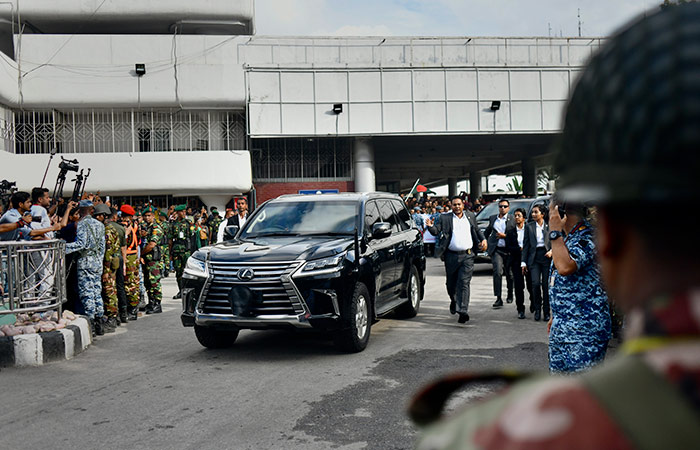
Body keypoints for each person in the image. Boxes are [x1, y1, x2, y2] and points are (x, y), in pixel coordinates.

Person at [413, 5, 700, 447]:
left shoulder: (502, 435)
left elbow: (564, 266)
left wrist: (554, 226)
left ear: (615, 235)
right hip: (568, 326)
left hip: (583, 334)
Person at [547, 197, 611, 373]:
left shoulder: (589, 237)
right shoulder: (569, 239)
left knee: (583, 393)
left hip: (584, 333)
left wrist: (554, 231)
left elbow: (565, 267)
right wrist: (556, 314)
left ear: (560, 213)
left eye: (551, 212)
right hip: (564, 329)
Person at [425, 196, 486, 323]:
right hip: (451, 256)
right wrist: (430, 226)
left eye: (459, 204)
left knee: (464, 283)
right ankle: (454, 300)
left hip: (468, 256)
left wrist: (483, 239)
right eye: (454, 205)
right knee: (451, 284)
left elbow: (476, 229)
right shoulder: (445, 218)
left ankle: (463, 310)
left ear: (463, 205)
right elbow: (436, 231)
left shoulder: (470, 216)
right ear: (451, 206)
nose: (457, 207)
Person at [65, 200, 106, 336]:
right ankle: (100, 322)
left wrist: (64, 247)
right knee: (96, 291)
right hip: (97, 262)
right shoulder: (100, 224)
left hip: (85, 261)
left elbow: (81, 244)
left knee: (86, 292)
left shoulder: (82, 224)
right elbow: (102, 247)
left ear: (81, 211)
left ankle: (92, 323)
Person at [521, 204, 552, 321]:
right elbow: (526, 245)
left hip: (546, 257)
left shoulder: (550, 226)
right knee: (535, 284)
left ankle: (546, 311)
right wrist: (523, 262)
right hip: (534, 258)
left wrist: (552, 251)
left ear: (542, 214)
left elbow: (556, 241)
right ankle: (537, 309)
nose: (533, 214)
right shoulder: (529, 227)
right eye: (532, 212)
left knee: (546, 285)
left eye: (536, 212)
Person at [484, 199, 515, 308]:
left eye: (505, 206)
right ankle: (498, 297)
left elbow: (517, 234)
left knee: (510, 274)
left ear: (508, 208)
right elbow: (487, 232)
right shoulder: (493, 218)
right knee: (497, 272)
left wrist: (505, 236)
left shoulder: (513, 219)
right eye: (501, 206)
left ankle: (510, 293)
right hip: (497, 249)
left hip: (509, 250)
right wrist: (484, 241)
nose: (502, 208)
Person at [94, 204, 118, 333]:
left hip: (108, 265)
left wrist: (106, 271)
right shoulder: (110, 228)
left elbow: (108, 252)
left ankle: (112, 319)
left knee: (109, 292)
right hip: (110, 263)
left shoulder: (107, 230)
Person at [140, 205, 163, 314]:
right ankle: (151, 302)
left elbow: (151, 245)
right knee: (147, 282)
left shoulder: (156, 228)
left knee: (154, 282)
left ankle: (157, 304)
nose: (147, 218)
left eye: (149, 216)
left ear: (153, 216)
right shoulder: (146, 228)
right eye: (145, 216)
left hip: (154, 260)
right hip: (147, 259)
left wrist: (141, 254)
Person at [119, 204, 141, 320]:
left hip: (128, 256)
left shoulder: (125, 226)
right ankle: (133, 308)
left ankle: (132, 309)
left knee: (130, 284)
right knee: (133, 282)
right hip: (133, 256)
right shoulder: (135, 226)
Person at [169, 204, 192, 299]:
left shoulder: (188, 223)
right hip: (176, 250)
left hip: (186, 250)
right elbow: (170, 240)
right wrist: (170, 253)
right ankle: (181, 290)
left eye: (184, 211)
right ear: (177, 213)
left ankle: (188, 291)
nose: (183, 213)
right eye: (181, 212)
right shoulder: (173, 224)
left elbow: (193, 237)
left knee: (187, 271)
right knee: (178, 272)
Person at [509, 208, 529, 319]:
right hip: (516, 260)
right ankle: (520, 309)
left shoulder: (529, 229)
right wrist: (519, 249)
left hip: (528, 260)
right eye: (515, 215)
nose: (516, 218)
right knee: (518, 286)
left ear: (524, 218)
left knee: (532, 284)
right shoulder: (511, 231)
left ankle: (535, 304)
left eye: (519, 215)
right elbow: (509, 247)